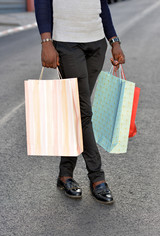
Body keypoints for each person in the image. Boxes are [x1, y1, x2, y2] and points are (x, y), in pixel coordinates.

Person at [34, 0, 125, 205]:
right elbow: (42, 3)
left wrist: (114, 41)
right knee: (83, 111)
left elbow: (102, 6)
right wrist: (46, 42)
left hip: (97, 44)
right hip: (67, 44)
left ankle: (65, 175)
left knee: (77, 111)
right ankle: (97, 177)